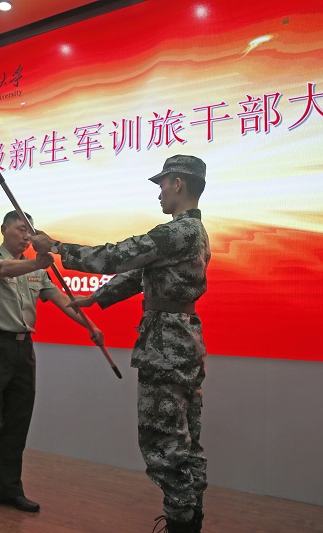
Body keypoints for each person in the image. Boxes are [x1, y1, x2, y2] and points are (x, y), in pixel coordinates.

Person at [31, 155, 211, 533]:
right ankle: (189, 520)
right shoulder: (194, 232)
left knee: (165, 443)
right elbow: (140, 274)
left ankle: (182, 525)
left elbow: (117, 256)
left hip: (166, 348)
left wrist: (58, 246)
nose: (159, 193)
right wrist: (96, 298)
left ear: (178, 183)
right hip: (183, 342)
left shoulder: (176, 232)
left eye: (162, 184)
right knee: (185, 442)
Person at [0, 210, 104, 514]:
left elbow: (65, 302)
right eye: (20, 229)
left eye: (30, 231)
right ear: (4, 229)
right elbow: (2, 269)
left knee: (17, 422)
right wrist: (36, 263)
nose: (27, 236)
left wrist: (91, 327)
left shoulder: (39, 272)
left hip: (23, 350)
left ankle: (11, 491)